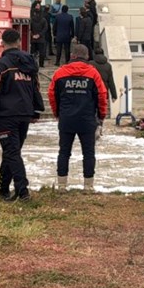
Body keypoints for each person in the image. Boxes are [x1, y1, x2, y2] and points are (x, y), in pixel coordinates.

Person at [0, 29, 44, 201]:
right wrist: (36, 110)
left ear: (2, 43)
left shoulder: (0, 65)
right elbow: (35, 87)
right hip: (24, 113)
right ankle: (2, 189)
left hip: (6, 115)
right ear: (19, 42)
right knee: (12, 151)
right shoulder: (29, 63)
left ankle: (23, 191)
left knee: (11, 152)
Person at [49, 44, 109, 192]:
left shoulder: (60, 73)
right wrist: (101, 116)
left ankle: (62, 185)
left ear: (72, 55)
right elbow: (102, 96)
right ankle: (88, 186)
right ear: (87, 57)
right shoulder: (93, 73)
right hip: (87, 119)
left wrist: (57, 113)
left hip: (67, 118)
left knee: (64, 152)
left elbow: (52, 95)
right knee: (88, 153)